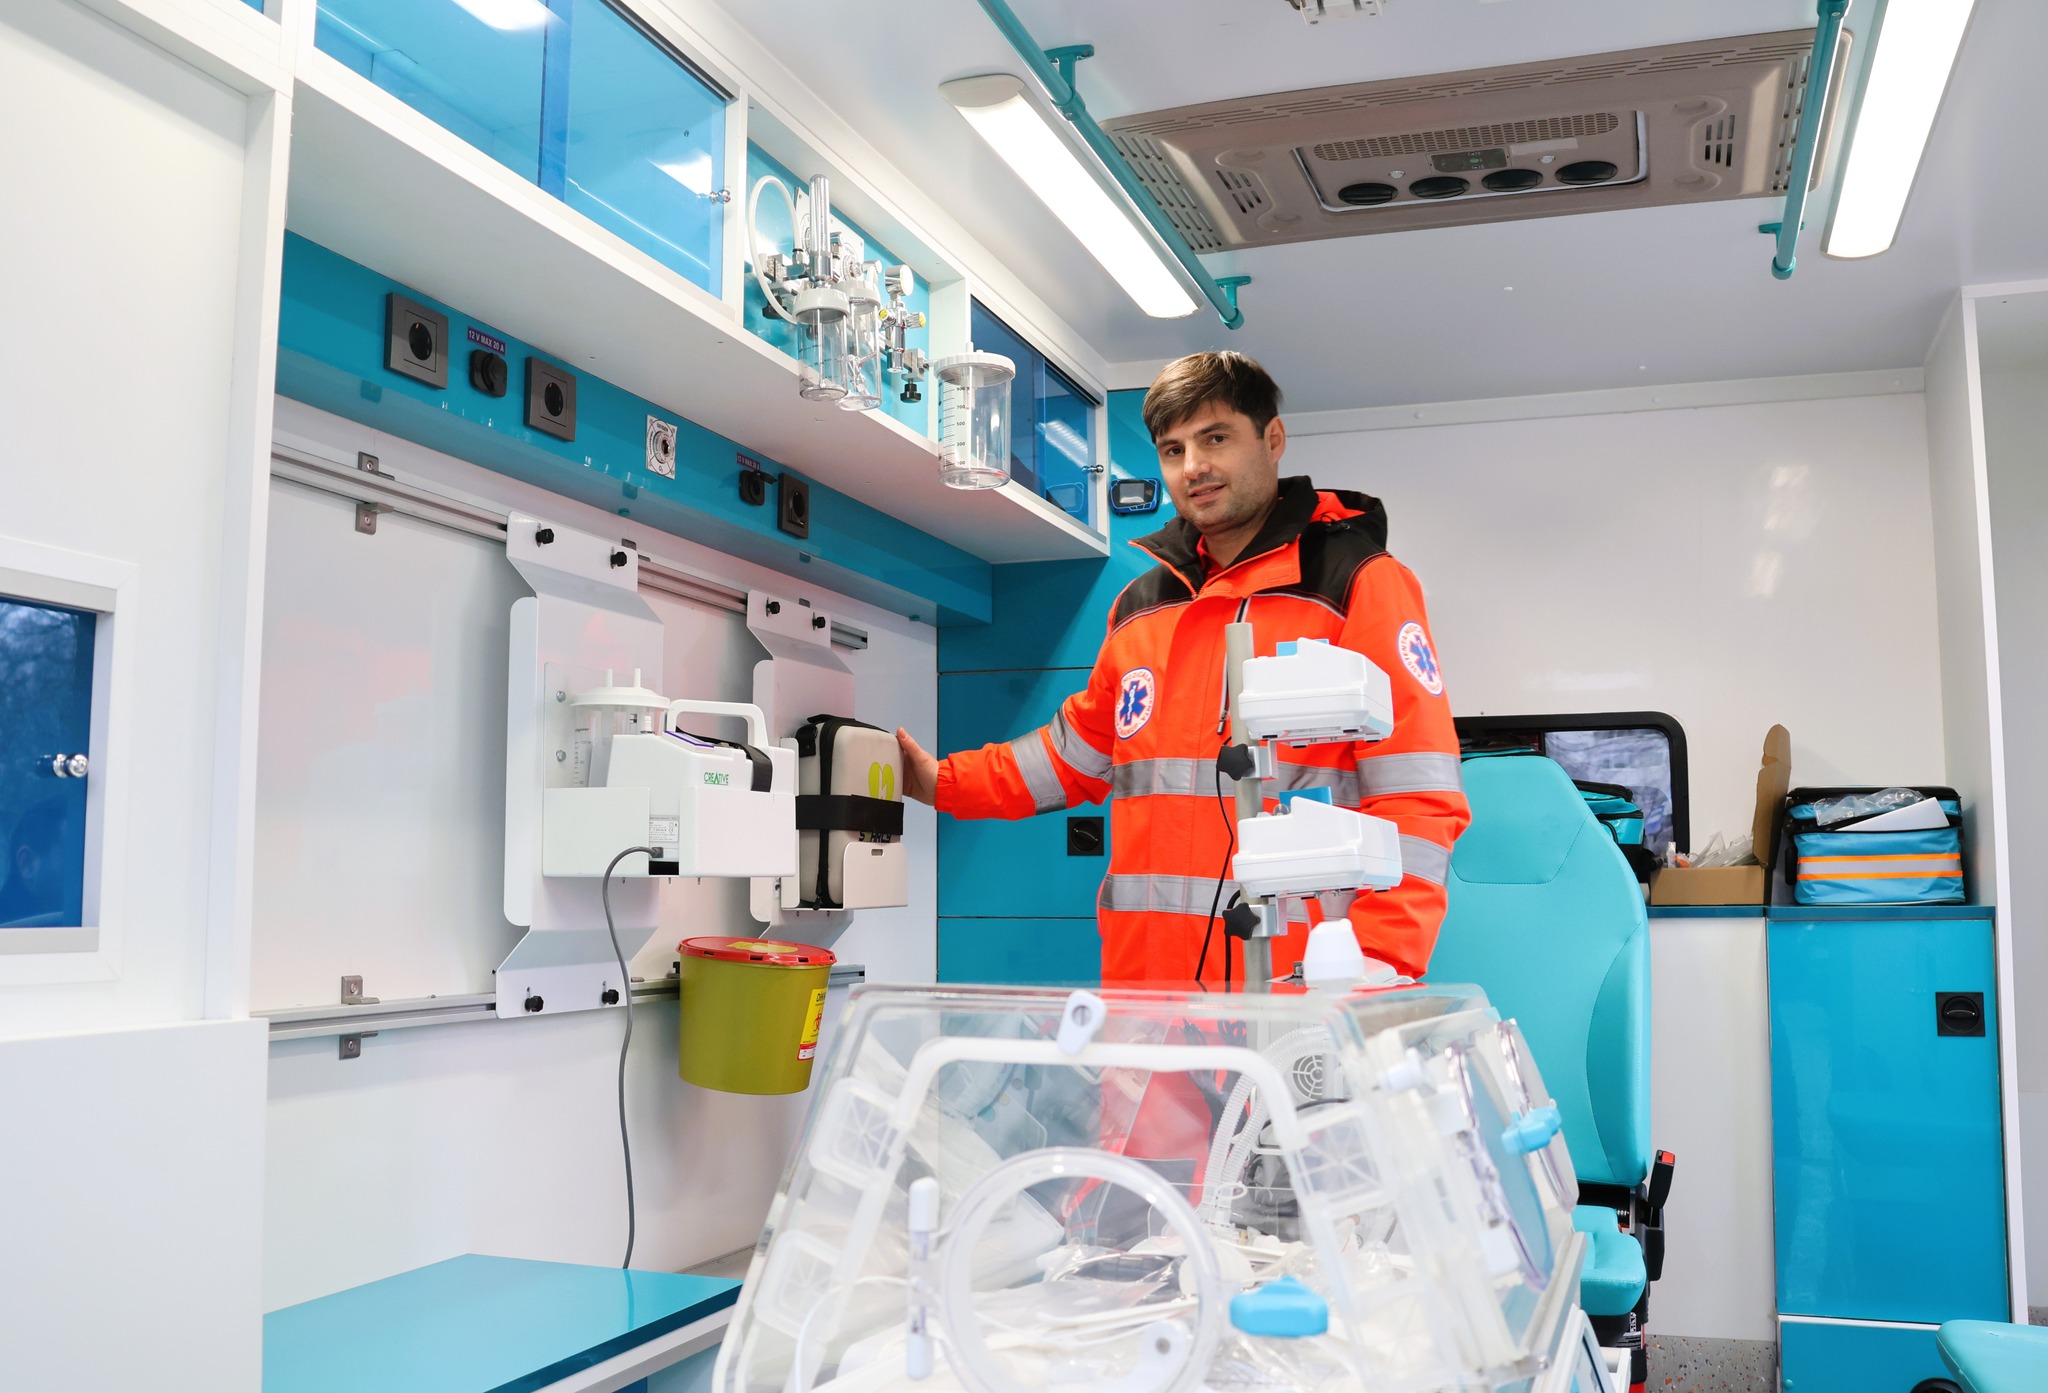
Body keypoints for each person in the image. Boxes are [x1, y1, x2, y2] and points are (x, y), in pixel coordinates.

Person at [897, 351, 1469, 985]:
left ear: (1272, 440)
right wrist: (940, 783)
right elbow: (1070, 757)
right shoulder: (1139, 606)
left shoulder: (1357, 582)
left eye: (1215, 438)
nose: (1193, 466)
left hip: (1296, 993)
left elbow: (1417, 797)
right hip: (1146, 998)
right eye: (1173, 450)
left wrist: (1374, 967)